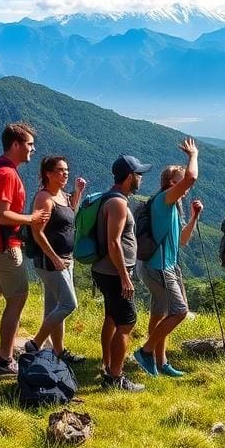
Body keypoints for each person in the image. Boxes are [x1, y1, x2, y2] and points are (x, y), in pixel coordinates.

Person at [0, 122, 50, 378]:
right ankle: (5, 362)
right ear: (15, 145)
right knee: (17, 297)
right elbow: (0, 214)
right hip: (2, 246)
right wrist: (32, 218)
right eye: (29, 144)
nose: (33, 149)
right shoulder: (6, 175)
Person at [135, 137, 203, 378]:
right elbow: (191, 178)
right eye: (178, 183)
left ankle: (160, 362)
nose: (184, 188)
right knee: (180, 311)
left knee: (160, 314)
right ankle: (145, 351)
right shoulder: (164, 200)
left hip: (165, 265)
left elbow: (183, 240)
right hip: (160, 267)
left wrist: (194, 217)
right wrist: (193, 155)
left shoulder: (173, 207)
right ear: (168, 184)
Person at [92, 154, 152, 392]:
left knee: (112, 318)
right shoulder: (118, 203)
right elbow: (114, 243)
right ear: (129, 177)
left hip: (104, 270)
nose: (141, 179)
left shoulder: (111, 198)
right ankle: (115, 378)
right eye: (139, 174)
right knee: (127, 323)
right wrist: (125, 277)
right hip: (115, 273)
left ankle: (108, 366)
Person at [24, 156, 87, 363]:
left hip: (65, 260)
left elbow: (67, 218)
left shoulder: (62, 195)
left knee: (55, 309)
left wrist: (78, 193)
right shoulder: (44, 198)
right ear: (48, 174)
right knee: (69, 304)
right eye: (60, 170)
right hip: (50, 262)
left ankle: (59, 353)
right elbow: (37, 232)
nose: (65, 173)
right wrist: (54, 258)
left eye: (66, 170)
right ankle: (34, 344)